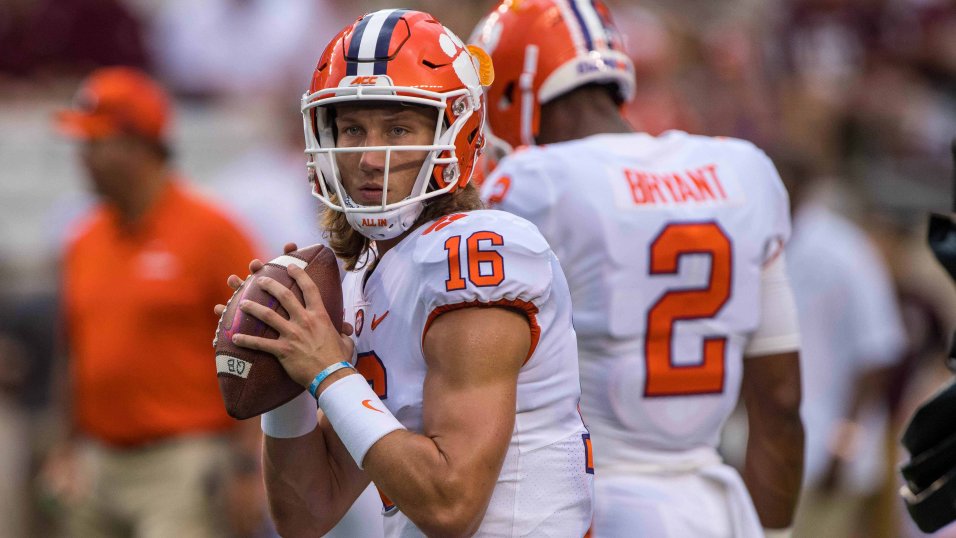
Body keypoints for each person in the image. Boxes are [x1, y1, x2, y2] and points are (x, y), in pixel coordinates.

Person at [215, 9, 593, 537]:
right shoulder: (363, 279)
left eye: (397, 128)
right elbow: (306, 515)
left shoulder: (477, 252)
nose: (370, 156)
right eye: (351, 129)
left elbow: (450, 505)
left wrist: (328, 373)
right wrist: (288, 365)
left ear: (454, 134)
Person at [471, 1, 804, 537]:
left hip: (591, 503)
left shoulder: (535, 184)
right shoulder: (744, 170)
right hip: (715, 507)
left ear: (513, 87)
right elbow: (781, 401)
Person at [45, 66, 262, 538]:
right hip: (97, 462)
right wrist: (65, 449)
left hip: (182, 464)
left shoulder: (212, 232)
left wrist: (249, 466)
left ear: (139, 146)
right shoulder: (82, 239)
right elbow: (75, 353)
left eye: (94, 142)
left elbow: (260, 348)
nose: (82, 157)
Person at [778, 153, 907, 538]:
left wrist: (844, 444)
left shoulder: (844, 249)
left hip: (829, 449)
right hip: (780, 446)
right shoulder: (770, 241)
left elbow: (879, 352)